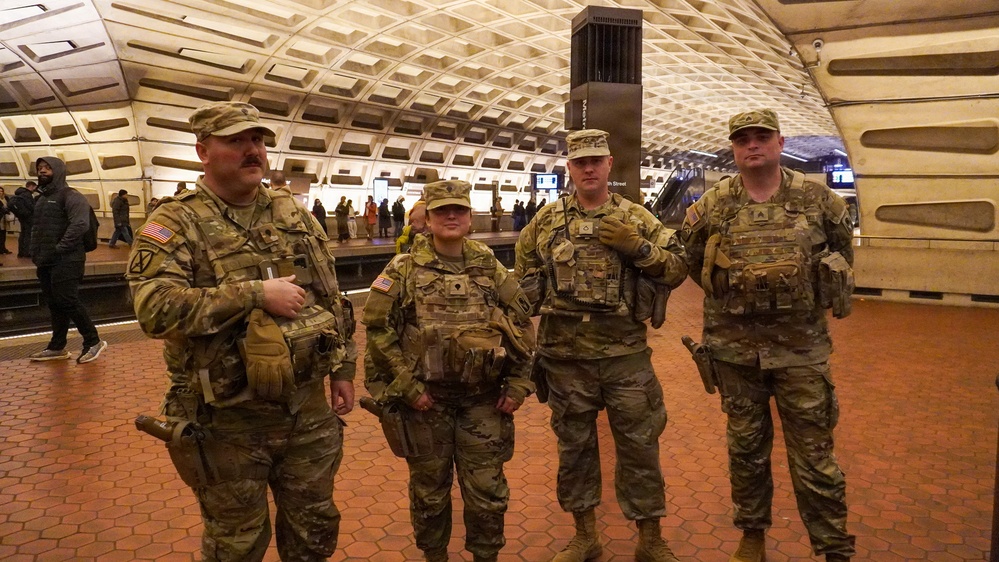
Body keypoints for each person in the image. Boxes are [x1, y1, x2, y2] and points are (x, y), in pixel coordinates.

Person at [126, 101, 357, 561]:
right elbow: (153, 310)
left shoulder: (293, 212)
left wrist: (344, 368)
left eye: (258, 140)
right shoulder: (174, 222)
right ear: (203, 151)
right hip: (226, 420)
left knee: (314, 530)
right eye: (236, 140)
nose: (253, 150)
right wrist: (253, 293)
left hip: (306, 412)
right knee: (237, 544)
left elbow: (333, 296)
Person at [678, 109, 856, 562]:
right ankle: (752, 535)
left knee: (815, 455)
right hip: (737, 354)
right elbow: (695, 261)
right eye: (742, 139)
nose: (752, 145)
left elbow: (842, 253)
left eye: (761, 137)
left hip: (801, 352)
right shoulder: (714, 206)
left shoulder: (818, 200)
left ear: (780, 143)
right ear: (734, 149)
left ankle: (833, 545)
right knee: (746, 451)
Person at [515, 129, 688, 562]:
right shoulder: (545, 222)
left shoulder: (637, 218)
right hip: (565, 361)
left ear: (610, 164)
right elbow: (521, 288)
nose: (588, 169)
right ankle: (584, 536)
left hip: (625, 359)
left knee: (641, 447)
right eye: (579, 162)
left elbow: (677, 268)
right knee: (574, 450)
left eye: (596, 161)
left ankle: (650, 539)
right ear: (570, 168)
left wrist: (639, 249)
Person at [363, 179, 535, 562]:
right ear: (429, 217)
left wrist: (520, 383)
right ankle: (434, 556)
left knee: (487, 492)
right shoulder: (404, 267)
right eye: (442, 211)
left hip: (484, 403)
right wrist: (407, 388)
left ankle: (485, 555)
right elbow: (378, 329)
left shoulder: (488, 265)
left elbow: (520, 323)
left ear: (470, 217)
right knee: (429, 493)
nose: (451, 216)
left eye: (459, 210)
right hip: (426, 403)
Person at [28, 157, 108, 363]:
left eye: (47, 168)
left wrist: (60, 248)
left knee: (67, 300)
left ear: (59, 170)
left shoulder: (71, 196)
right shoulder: (41, 198)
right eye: (39, 168)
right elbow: (38, 228)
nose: (42, 171)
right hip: (46, 259)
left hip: (68, 258)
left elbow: (80, 225)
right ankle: (57, 347)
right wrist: (35, 252)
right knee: (54, 303)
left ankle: (93, 341)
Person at [10, 180, 38, 258]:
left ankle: (21, 252)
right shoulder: (27, 194)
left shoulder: (20, 193)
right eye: (35, 188)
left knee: (23, 233)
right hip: (28, 217)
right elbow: (31, 206)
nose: (35, 190)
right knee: (28, 234)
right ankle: (27, 252)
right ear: (31, 186)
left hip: (22, 217)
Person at [0, 186, 11, 255]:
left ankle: (3, 248)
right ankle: (1, 249)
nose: (0, 193)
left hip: (4, 218)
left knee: (3, 234)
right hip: (0, 218)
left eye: (1, 191)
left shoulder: (6, 198)